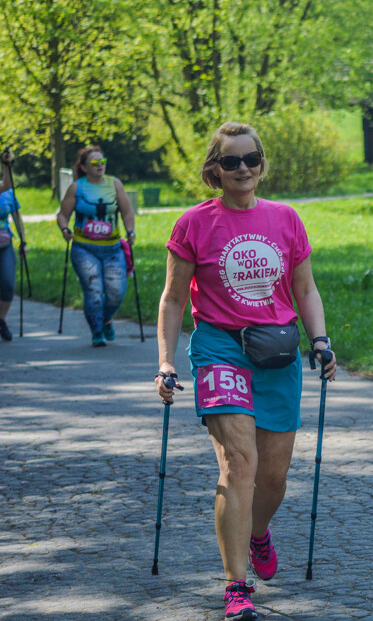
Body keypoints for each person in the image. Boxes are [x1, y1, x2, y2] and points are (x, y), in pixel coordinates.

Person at [154, 122, 337, 621]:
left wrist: (320, 340)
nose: (243, 169)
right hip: (219, 350)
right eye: (231, 161)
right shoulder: (194, 224)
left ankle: (258, 532)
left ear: (262, 163)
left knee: (273, 477)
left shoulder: (286, 219)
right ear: (215, 168)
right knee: (239, 465)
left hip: (277, 353)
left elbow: (305, 290)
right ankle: (237, 586)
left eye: (251, 159)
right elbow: (173, 299)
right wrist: (167, 360)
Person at [55, 146, 136, 346]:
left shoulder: (114, 184)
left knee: (116, 292)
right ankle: (97, 330)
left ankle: (105, 318)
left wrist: (130, 230)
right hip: (84, 248)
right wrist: (65, 230)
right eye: (94, 162)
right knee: (93, 291)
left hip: (113, 248)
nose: (100, 165)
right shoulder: (77, 187)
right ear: (83, 167)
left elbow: (127, 211)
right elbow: (63, 214)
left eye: (102, 161)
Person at [0, 149, 25, 341]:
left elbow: (18, 218)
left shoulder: (6, 193)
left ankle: (2, 320)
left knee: (8, 284)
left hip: (5, 245)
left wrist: (6, 165)